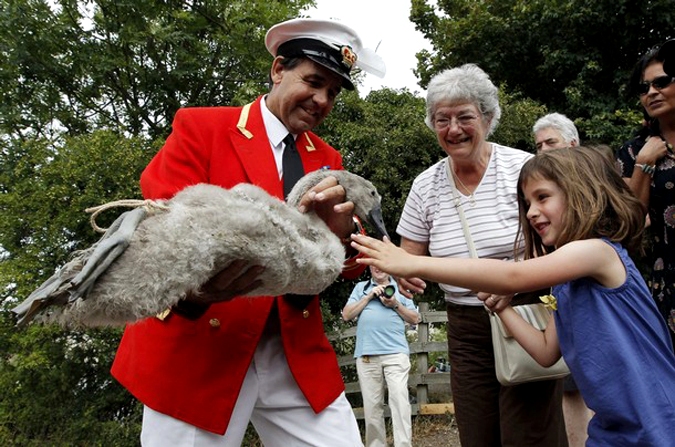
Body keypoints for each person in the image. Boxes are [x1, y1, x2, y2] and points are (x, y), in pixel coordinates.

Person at [110, 18, 385, 447]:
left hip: (292, 352)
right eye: (313, 81)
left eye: (332, 91)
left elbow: (346, 267)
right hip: (201, 346)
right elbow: (160, 223)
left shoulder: (327, 157)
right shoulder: (201, 127)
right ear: (278, 70)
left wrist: (342, 237)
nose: (321, 100)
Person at [351, 146, 675, 447]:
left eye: (543, 197)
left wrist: (410, 262)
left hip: (656, 418)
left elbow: (513, 276)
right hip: (612, 427)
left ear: (582, 194)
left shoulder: (597, 252)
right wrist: (501, 308)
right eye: (528, 203)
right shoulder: (567, 284)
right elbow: (546, 352)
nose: (532, 213)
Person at [393, 63, 567, 446]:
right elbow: (410, 255)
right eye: (442, 119)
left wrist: (517, 280)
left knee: (530, 434)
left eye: (464, 117)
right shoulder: (425, 185)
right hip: (466, 326)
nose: (453, 129)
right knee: (477, 433)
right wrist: (406, 276)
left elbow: (559, 241)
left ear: (488, 118)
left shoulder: (523, 168)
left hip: (526, 309)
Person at [532, 113, 593, 447]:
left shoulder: (597, 184)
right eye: (538, 145)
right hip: (563, 293)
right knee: (570, 386)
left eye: (550, 142)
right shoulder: (539, 192)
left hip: (599, 295)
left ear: (573, 143)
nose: (543, 150)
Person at [616, 40, 675, 351]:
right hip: (668, 283)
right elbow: (628, 223)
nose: (652, 92)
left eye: (662, 82)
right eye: (644, 88)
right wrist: (644, 164)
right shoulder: (632, 151)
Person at [342, 265, 420, 447]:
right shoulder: (361, 288)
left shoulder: (400, 288)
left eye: (381, 264)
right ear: (369, 267)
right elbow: (347, 315)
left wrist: (395, 304)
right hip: (367, 355)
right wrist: (369, 296)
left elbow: (414, 318)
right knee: (372, 407)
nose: (378, 268)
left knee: (400, 402)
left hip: (396, 354)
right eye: (373, 264)